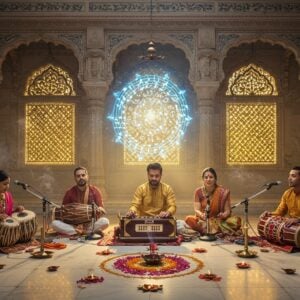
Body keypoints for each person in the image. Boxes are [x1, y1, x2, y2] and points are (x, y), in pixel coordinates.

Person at [51, 167, 109, 236]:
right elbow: (64, 212)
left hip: (90, 224)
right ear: (75, 178)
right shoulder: (69, 192)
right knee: (54, 224)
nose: (81, 177)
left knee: (105, 221)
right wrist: (73, 222)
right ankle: (83, 232)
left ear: (87, 176)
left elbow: (101, 208)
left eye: (83, 175)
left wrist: (100, 209)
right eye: (78, 176)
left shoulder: (95, 191)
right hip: (74, 225)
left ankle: (81, 232)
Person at [185, 167, 241, 235]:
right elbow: (196, 209)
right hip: (203, 221)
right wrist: (202, 215)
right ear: (203, 179)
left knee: (236, 221)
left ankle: (208, 230)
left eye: (211, 177)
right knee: (188, 219)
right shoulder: (198, 192)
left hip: (218, 221)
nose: (208, 179)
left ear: (215, 179)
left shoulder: (222, 192)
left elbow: (227, 211)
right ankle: (206, 231)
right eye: (206, 177)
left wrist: (223, 215)